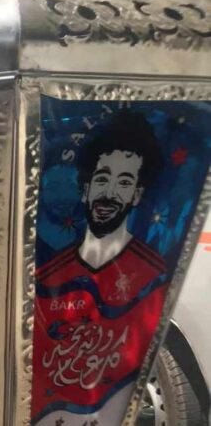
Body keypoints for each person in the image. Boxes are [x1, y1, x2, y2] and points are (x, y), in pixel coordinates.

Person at [33, 112, 165, 426]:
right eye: (103, 179)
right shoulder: (48, 276)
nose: (109, 193)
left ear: (137, 195)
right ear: (86, 189)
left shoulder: (153, 278)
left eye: (124, 182)